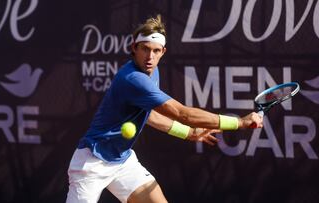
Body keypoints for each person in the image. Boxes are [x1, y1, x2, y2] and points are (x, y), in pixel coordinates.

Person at [66, 15, 263, 203]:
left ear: (163, 52)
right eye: (144, 49)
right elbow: (182, 113)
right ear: (134, 48)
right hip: (91, 164)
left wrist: (188, 133)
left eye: (156, 50)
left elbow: (149, 115)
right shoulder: (134, 79)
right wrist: (240, 122)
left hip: (122, 161)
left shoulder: (151, 71)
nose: (150, 57)